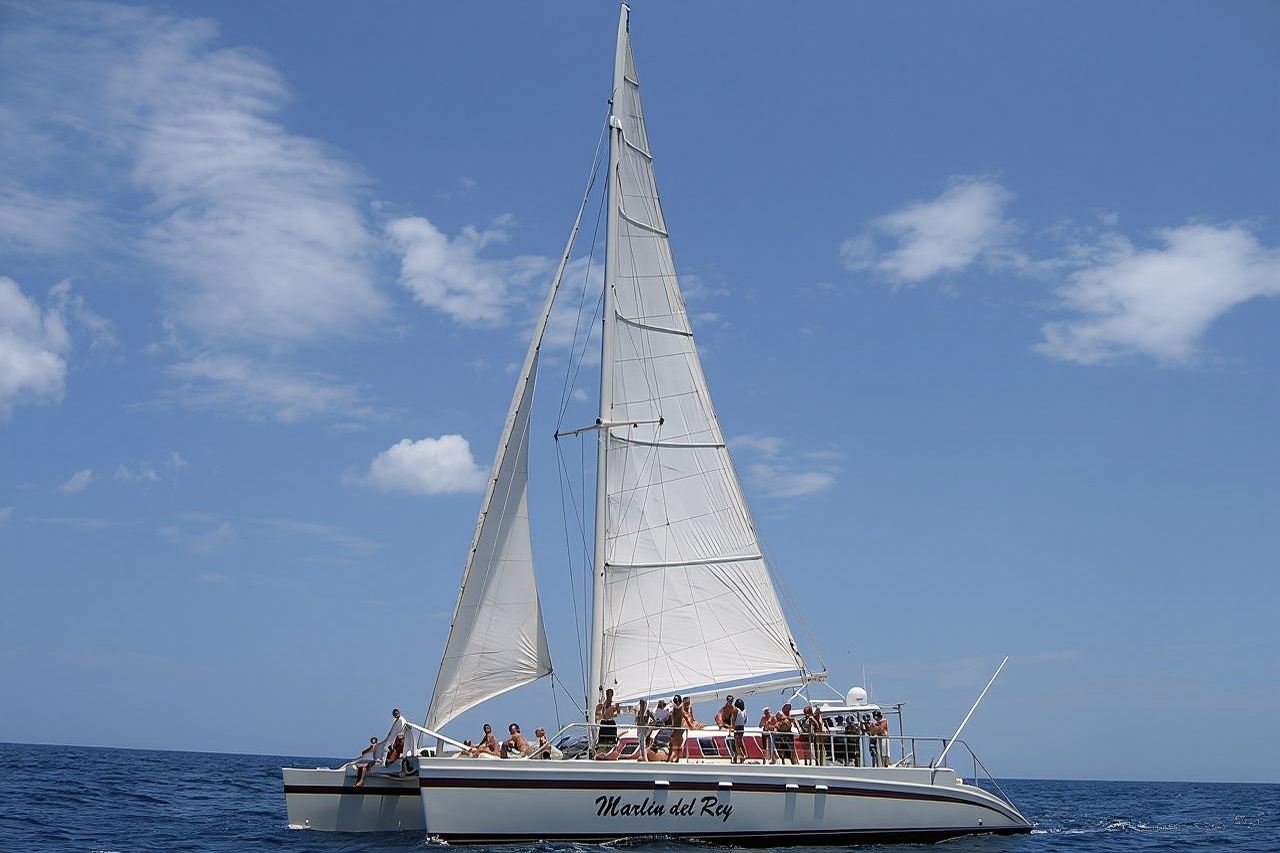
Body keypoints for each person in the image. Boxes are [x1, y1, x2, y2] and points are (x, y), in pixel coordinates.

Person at [594, 688, 620, 755]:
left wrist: (612, 714)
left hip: (611, 722)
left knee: (612, 740)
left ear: (612, 694)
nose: (608, 695)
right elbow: (600, 714)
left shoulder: (615, 704)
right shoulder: (603, 704)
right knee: (602, 740)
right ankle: (599, 752)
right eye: (607, 694)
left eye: (610, 693)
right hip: (604, 722)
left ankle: (612, 751)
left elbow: (618, 713)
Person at [668, 694, 686, 762]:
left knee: (675, 749)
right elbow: (682, 720)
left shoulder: (674, 710)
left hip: (676, 731)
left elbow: (673, 722)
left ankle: (673, 761)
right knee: (677, 748)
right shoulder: (680, 710)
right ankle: (672, 761)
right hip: (679, 731)